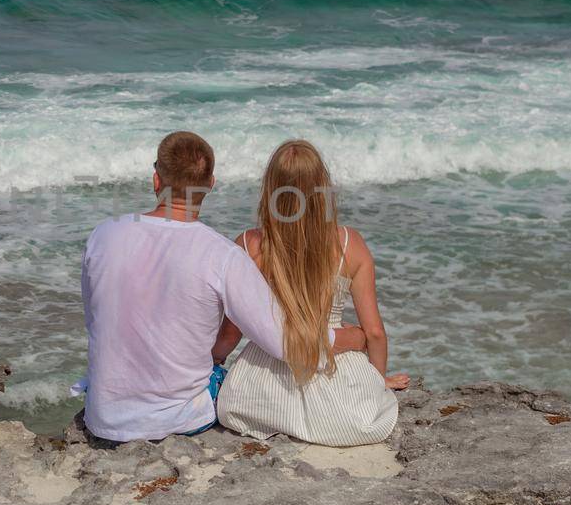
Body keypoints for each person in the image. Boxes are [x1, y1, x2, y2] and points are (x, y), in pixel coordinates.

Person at [77, 130, 366, 443]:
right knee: (238, 388)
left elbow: (96, 317)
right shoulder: (221, 255)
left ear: (156, 180)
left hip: (103, 415)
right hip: (180, 416)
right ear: (211, 184)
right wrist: (348, 337)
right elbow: (284, 344)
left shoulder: (103, 235)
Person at [213, 139, 408, 447]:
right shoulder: (348, 244)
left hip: (261, 389)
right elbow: (374, 333)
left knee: (236, 407)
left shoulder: (251, 246)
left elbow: (232, 329)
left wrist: (212, 360)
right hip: (334, 367)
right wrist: (377, 380)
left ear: (271, 190)